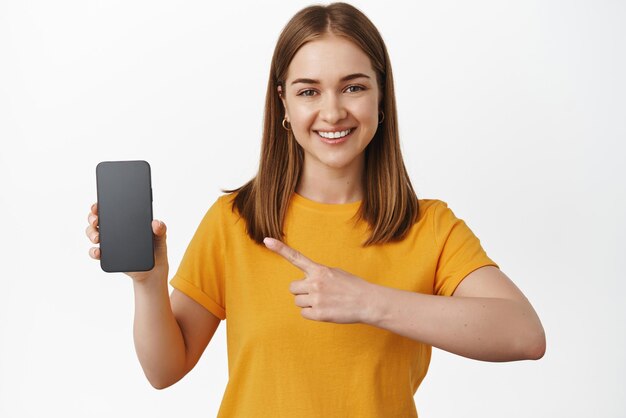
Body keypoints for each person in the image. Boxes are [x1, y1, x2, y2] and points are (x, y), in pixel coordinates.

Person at [85, 2, 546, 417]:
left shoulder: (429, 227)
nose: (332, 112)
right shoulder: (235, 220)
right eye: (309, 91)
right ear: (282, 101)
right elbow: (165, 370)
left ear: (381, 97)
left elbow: (525, 335)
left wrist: (368, 302)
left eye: (353, 87)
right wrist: (147, 284)